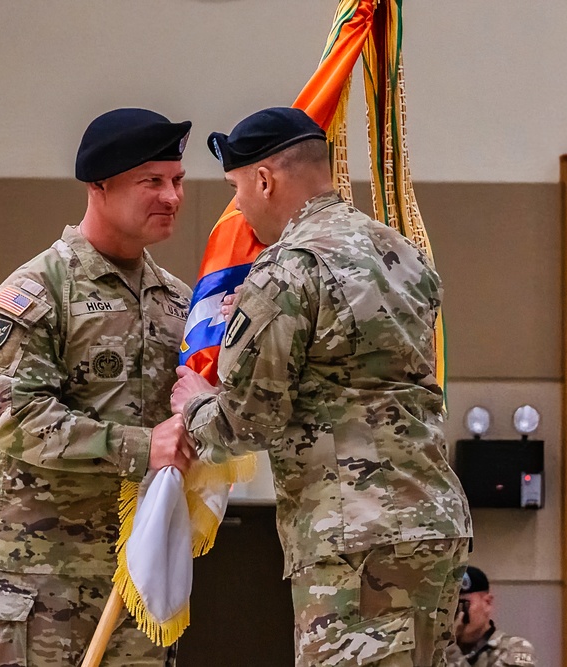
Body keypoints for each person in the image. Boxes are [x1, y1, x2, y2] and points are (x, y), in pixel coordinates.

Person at [171, 107, 472, 667]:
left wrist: (193, 407)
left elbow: (248, 421)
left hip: (351, 534)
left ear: (264, 180)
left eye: (237, 189)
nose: (238, 207)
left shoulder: (287, 269)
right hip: (433, 522)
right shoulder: (403, 255)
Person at [0, 107, 198, 667]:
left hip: (133, 577)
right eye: (151, 181)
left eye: (177, 180)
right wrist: (140, 446)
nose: (172, 196)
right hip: (33, 577)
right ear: (100, 186)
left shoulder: (180, 304)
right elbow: (16, 423)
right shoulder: (37, 293)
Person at [445, 566, 536, 667]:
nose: (456, 613)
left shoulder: (513, 649)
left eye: (463, 604)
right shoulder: (434, 651)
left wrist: (450, 647)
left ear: (487, 602)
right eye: (450, 606)